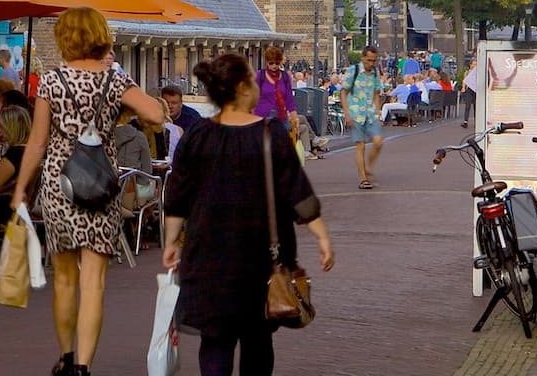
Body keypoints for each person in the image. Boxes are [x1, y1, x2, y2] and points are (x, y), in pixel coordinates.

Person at [9, 7, 167, 376]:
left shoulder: (51, 80)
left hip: (59, 184)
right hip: (100, 184)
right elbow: (156, 115)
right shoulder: (114, 79)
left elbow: (36, 141)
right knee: (93, 282)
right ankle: (83, 367)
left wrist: (20, 190)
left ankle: (65, 356)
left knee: (64, 277)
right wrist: (123, 85)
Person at [162, 53, 334, 376]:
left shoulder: (197, 136)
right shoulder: (270, 135)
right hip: (260, 259)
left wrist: (172, 240)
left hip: (207, 255)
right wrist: (322, 236)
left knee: (215, 340)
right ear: (243, 89)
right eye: (252, 82)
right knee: (257, 340)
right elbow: (298, 192)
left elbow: (178, 195)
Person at [340, 47, 391, 190]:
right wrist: (347, 113)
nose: (371, 63)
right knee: (360, 146)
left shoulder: (374, 72)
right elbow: (343, 92)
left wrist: (377, 109)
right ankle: (363, 178)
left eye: (373, 61)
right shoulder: (353, 71)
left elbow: (376, 93)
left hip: (370, 113)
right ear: (363, 58)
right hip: (356, 113)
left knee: (378, 141)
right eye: (368, 60)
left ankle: (368, 166)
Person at [251, 47, 297, 121]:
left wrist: (295, 118)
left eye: (277, 63)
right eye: (271, 63)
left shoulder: (285, 77)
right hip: (262, 117)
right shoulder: (260, 75)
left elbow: (289, 99)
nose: (274, 66)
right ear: (267, 62)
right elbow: (253, 97)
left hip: (280, 116)